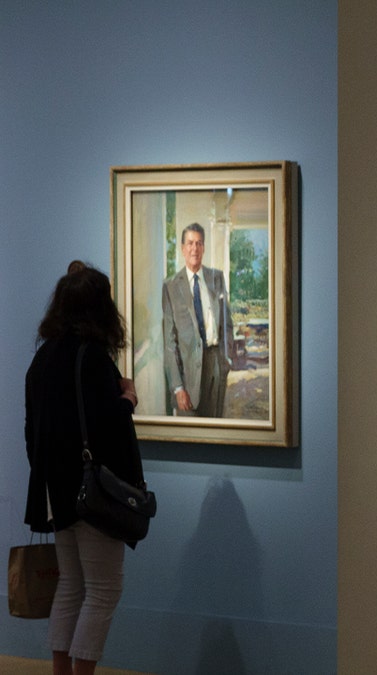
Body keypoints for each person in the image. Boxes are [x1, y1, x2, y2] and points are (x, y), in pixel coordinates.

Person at [24, 262, 145, 675]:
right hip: (93, 494)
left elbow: (32, 432)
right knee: (104, 590)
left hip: (56, 493)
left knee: (71, 586)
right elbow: (106, 424)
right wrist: (128, 397)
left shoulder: (42, 361)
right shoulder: (91, 358)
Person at [161, 222, 234, 417]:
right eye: (191, 243)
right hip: (188, 372)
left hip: (215, 365)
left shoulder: (216, 278)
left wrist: (227, 359)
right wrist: (177, 387)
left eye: (199, 243)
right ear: (183, 248)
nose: (195, 248)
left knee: (216, 428)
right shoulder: (170, 287)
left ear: (204, 248)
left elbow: (227, 322)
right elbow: (169, 342)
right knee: (190, 433)